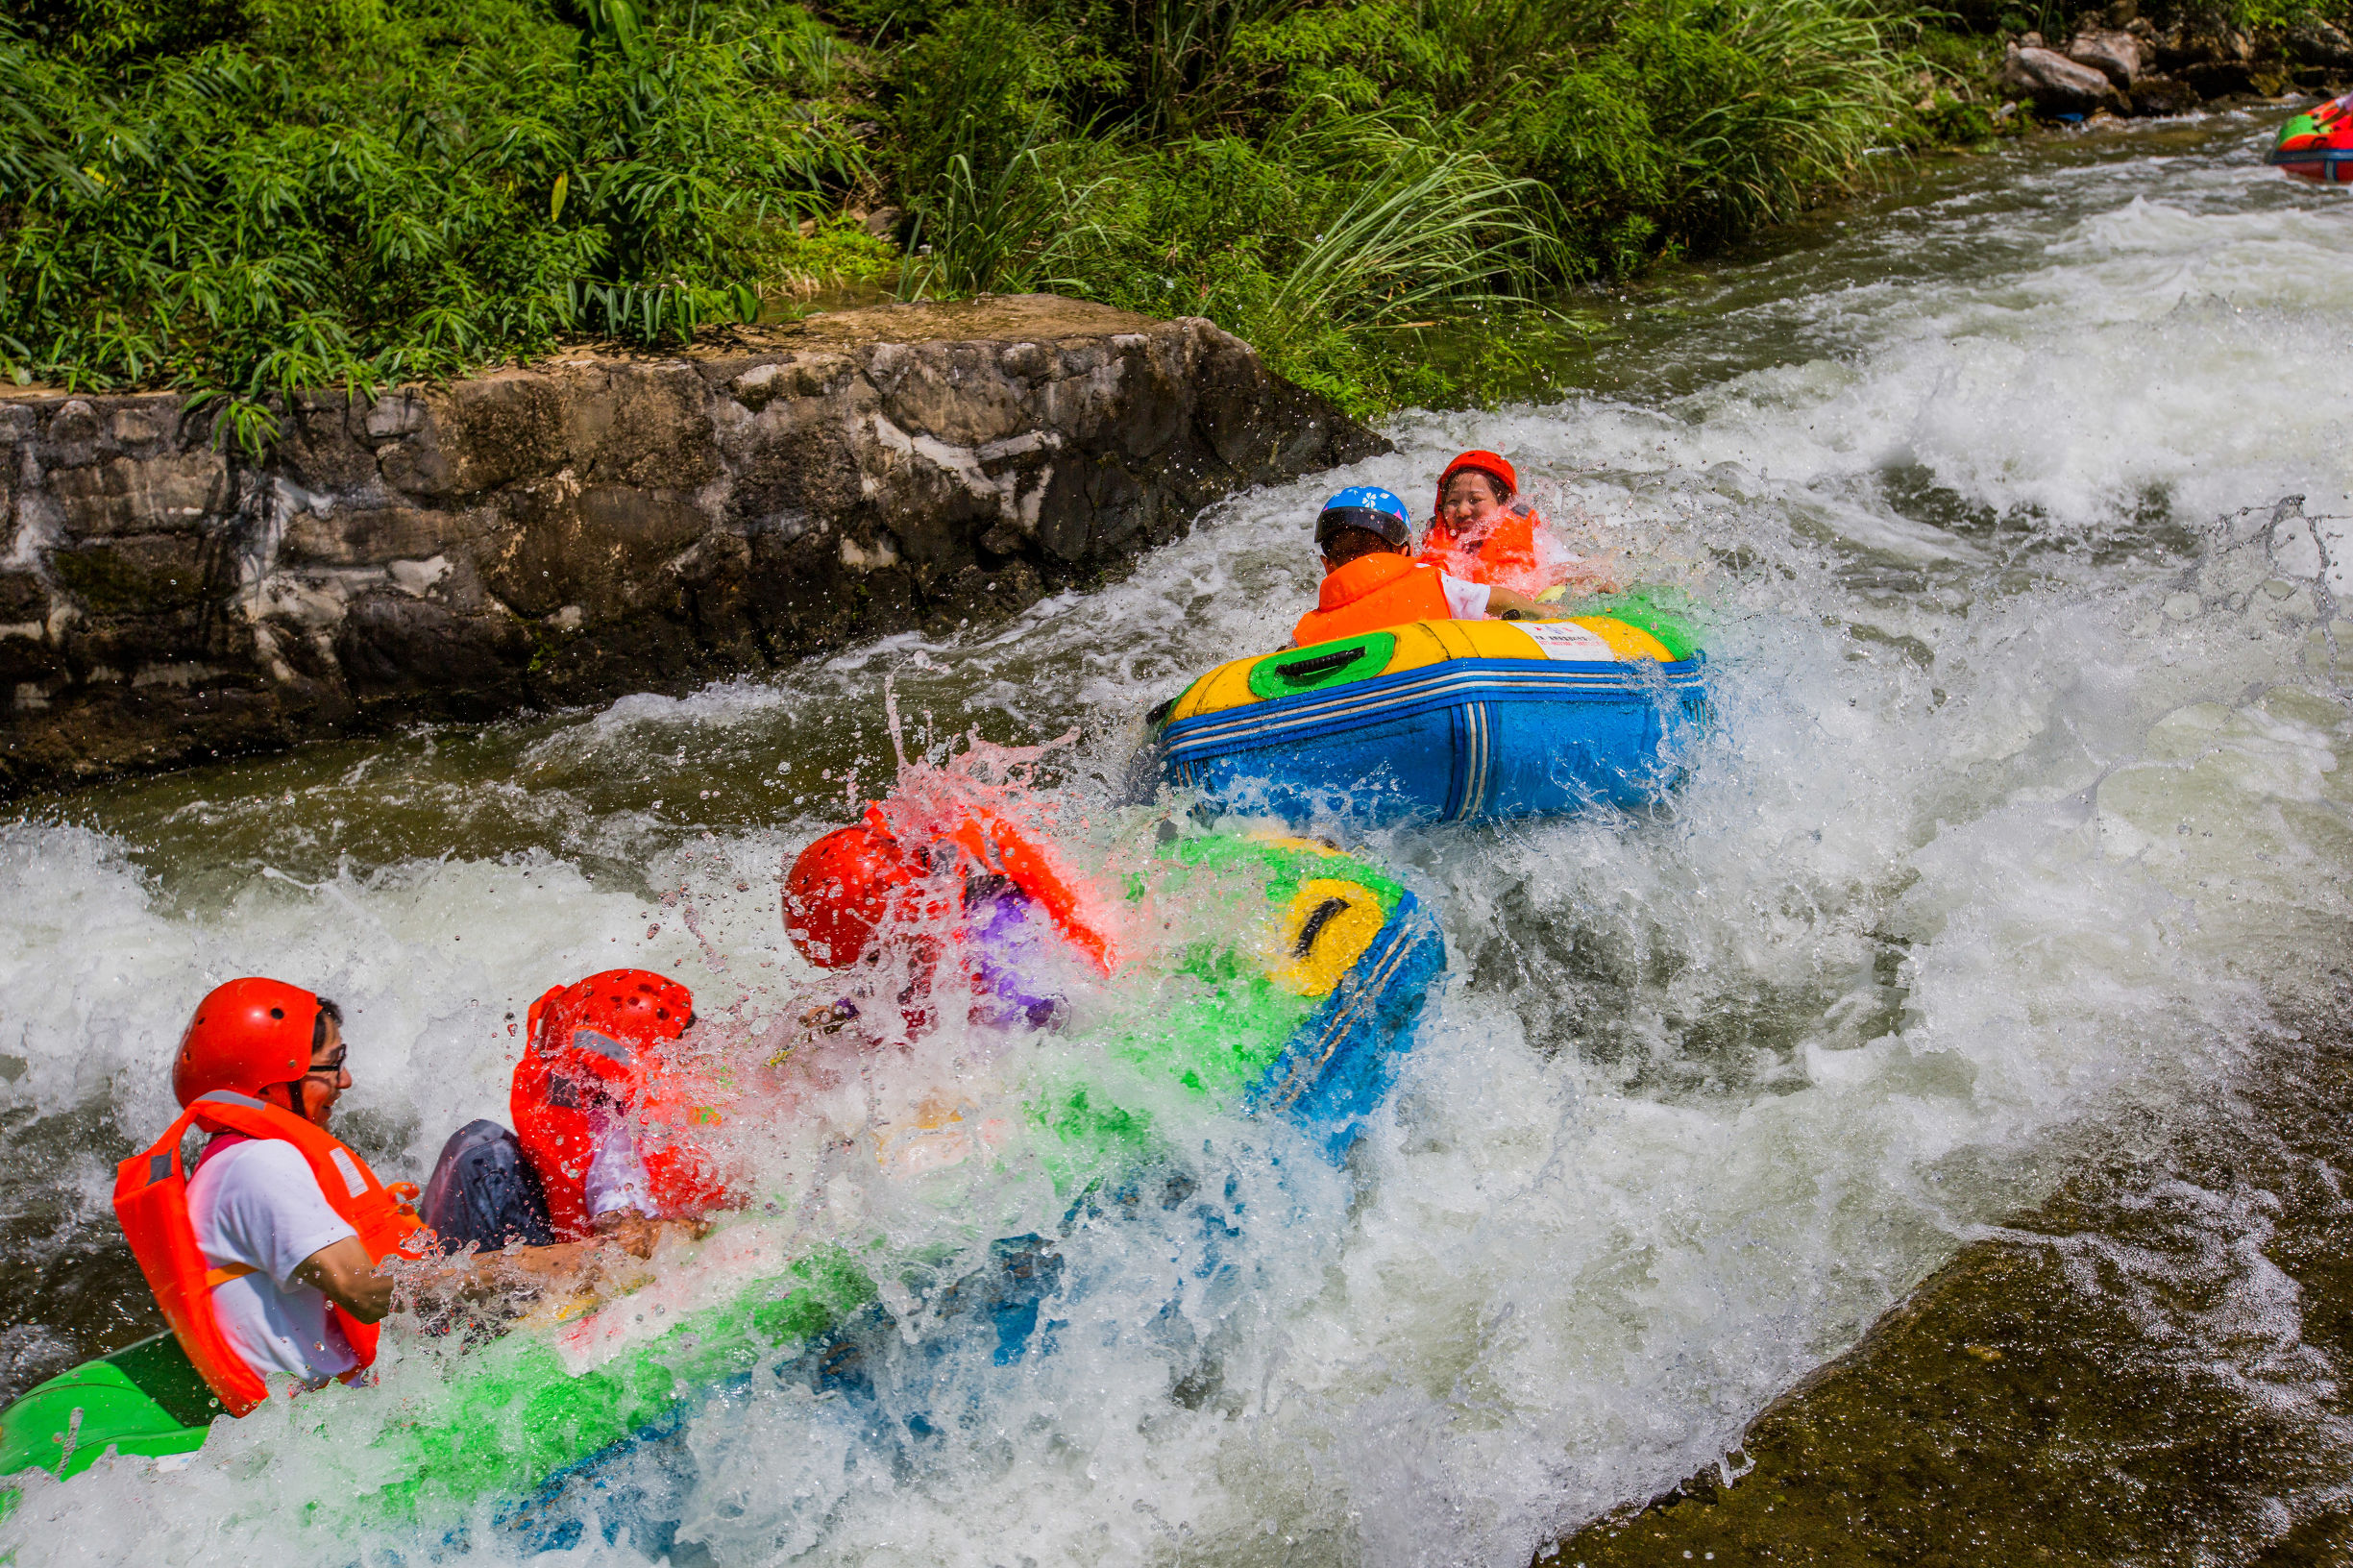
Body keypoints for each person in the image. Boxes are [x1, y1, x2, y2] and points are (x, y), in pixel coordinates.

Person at [113, 978, 682, 1416]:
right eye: (333, 1064)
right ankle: (629, 1263)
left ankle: (617, 1253)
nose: (346, 1081)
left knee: (480, 1147)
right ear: (271, 1079)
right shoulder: (258, 1166)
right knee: (487, 1155)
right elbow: (363, 1292)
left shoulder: (236, 1159)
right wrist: (543, 1266)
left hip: (368, 1374)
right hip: (349, 1411)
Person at [784, 802, 1115, 1039]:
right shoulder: (910, 884)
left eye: (870, 959)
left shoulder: (994, 925)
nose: (868, 973)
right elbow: (901, 973)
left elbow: (1049, 1025)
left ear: (898, 917)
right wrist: (844, 1012)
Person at [1292, 485, 1563, 649]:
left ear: (1328, 566)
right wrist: (1544, 611)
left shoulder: (1308, 629)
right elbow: (1497, 598)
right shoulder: (1431, 582)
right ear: (1407, 551)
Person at [1414, 451, 1618, 598]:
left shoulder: (1532, 537)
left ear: (1503, 503)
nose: (1462, 511)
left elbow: (1562, 569)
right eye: (1453, 502)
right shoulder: (1433, 541)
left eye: (1475, 500)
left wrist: (1592, 579)